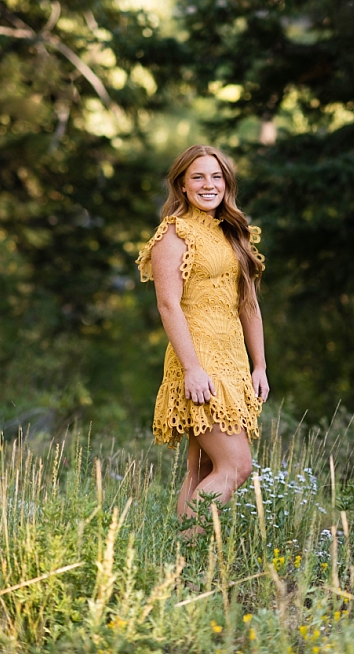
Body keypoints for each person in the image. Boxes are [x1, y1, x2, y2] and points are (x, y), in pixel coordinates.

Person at [136, 144, 269, 523]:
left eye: (216, 176)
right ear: (181, 184)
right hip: (198, 359)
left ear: (226, 183)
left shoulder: (233, 233)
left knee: (201, 470)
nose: (208, 184)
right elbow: (168, 305)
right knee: (236, 467)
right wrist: (192, 368)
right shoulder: (174, 235)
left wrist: (259, 365)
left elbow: (249, 305)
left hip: (234, 362)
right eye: (198, 176)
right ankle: (191, 551)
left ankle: (180, 567)